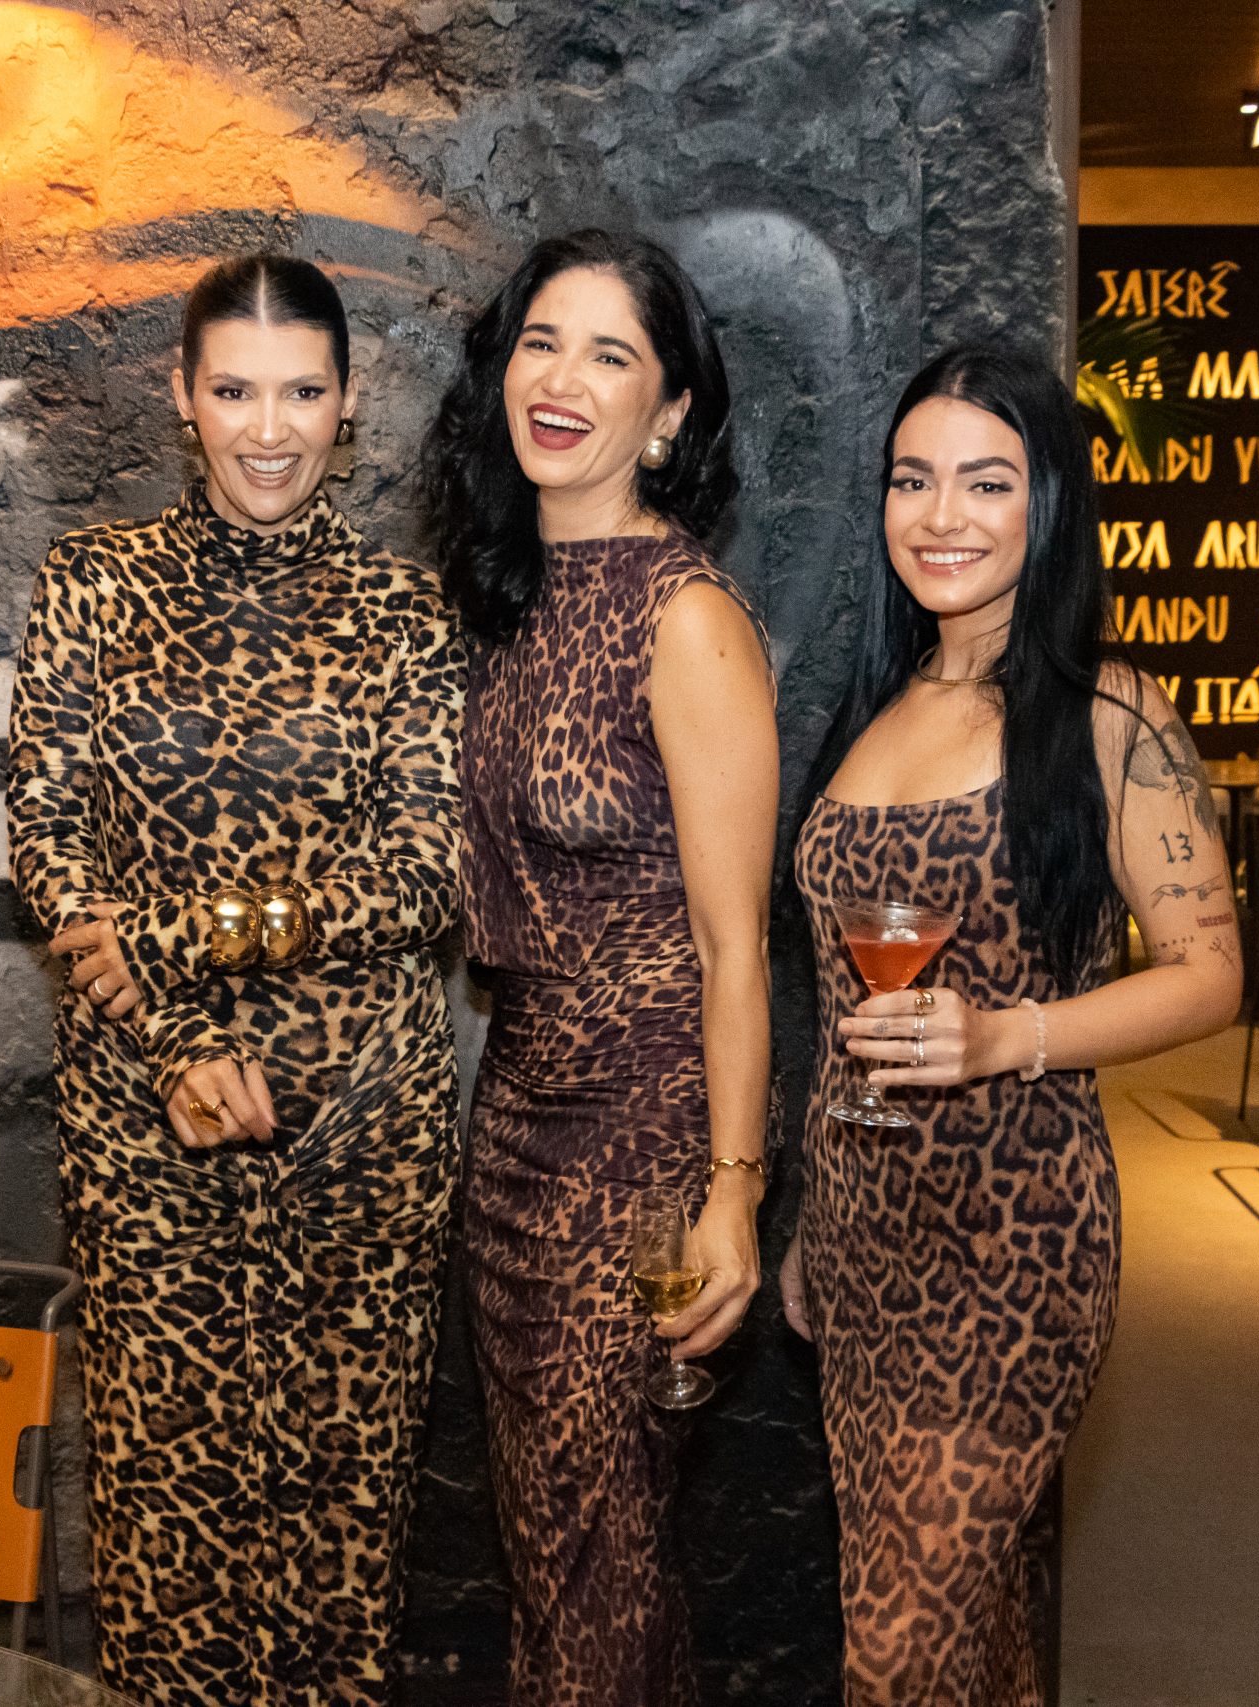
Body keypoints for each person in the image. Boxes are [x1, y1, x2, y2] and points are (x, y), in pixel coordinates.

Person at [5, 254, 463, 1705]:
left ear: (350, 401)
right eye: (236, 390)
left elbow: (423, 879)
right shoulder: (92, 585)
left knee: (341, 1521)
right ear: (183, 396)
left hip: (363, 1132)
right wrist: (177, 1039)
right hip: (146, 1123)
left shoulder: (406, 614)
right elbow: (49, 846)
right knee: (163, 1517)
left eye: (303, 393)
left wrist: (185, 935)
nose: (270, 431)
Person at [780, 346, 1242, 1705]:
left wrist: (1001, 1036)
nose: (942, 516)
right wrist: (811, 1217)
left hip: (1016, 1243)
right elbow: (842, 1012)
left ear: (1049, 503)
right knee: (970, 1639)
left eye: (988, 483)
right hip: (863, 1239)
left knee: (897, 1659)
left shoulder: (1108, 712)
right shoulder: (874, 706)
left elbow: (1210, 977)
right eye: (912, 479)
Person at [424, 228, 779, 1706]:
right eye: (541, 342)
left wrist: (733, 1191)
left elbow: (736, 944)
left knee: (595, 1555)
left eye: (611, 354)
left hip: (641, 1143)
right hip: (513, 1128)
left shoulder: (684, 617)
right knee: (568, 1556)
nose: (562, 380)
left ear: (670, 411)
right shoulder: (501, 599)